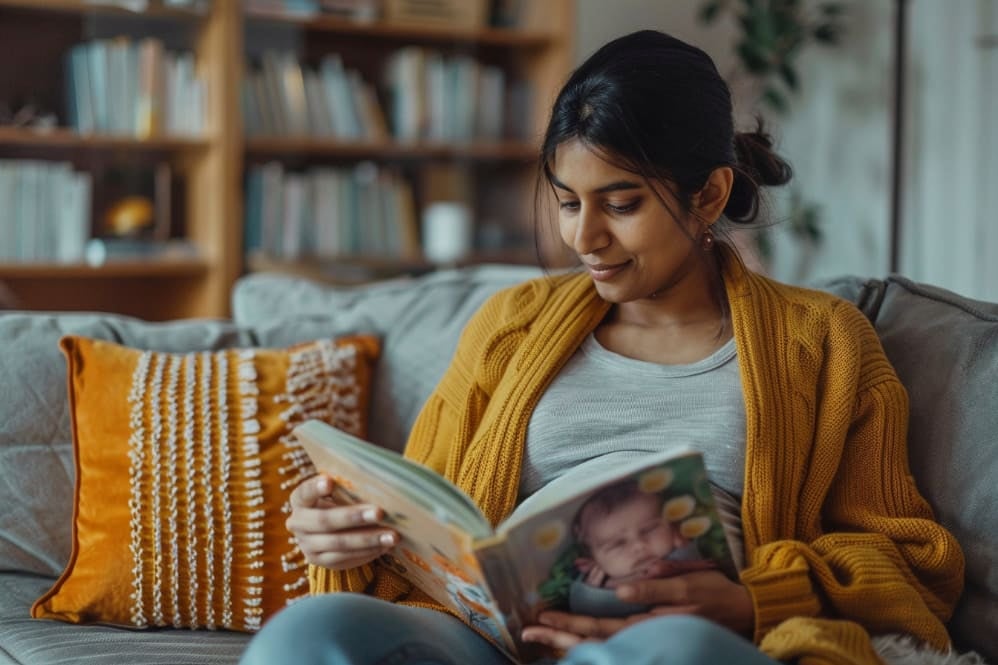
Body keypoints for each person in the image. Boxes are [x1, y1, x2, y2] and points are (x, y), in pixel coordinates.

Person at [241, 30, 964, 665]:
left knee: (669, 653)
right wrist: (346, 537)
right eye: (566, 201)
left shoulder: (826, 341)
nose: (583, 238)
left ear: (708, 195)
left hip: (677, 641)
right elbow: (422, 526)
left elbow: (911, 566)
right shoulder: (511, 325)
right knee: (309, 633)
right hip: (490, 641)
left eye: (621, 204)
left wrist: (755, 599)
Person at [570, 480, 702, 590]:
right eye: (618, 543)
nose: (639, 546)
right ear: (591, 560)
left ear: (671, 525)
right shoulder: (596, 585)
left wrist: (685, 549)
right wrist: (591, 591)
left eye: (649, 529)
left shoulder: (680, 553)